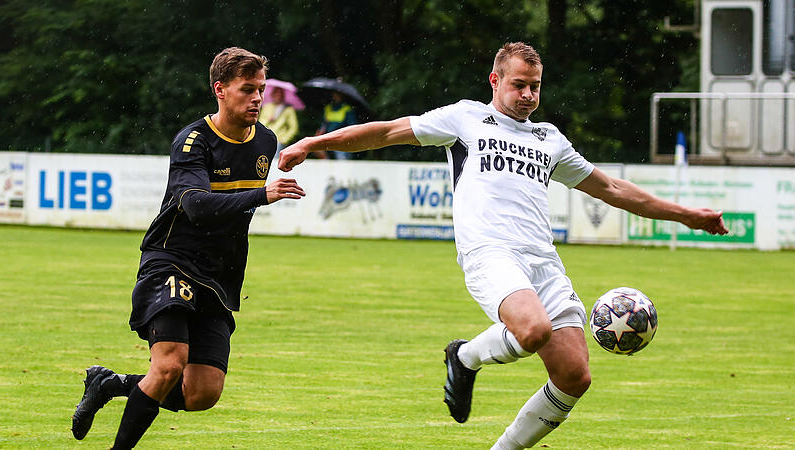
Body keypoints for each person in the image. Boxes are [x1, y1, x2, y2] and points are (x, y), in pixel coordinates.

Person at [278, 42, 728, 449]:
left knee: (575, 375)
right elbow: (386, 131)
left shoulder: (549, 138)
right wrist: (314, 141)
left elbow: (611, 188)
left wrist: (688, 215)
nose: (528, 95)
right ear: (495, 81)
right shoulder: (465, 118)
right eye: (519, 85)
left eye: (535, 86)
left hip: (542, 261)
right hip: (490, 253)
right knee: (533, 331)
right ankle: (467, 356)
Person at [71, 47, 305, 449]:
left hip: (219, 275)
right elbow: (196, 207)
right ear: (220, 89)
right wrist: (261, 195)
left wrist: (259, 193)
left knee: (202, 394)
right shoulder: (193, 141)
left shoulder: (266, 140)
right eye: (247, 89)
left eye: (261, 89)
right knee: (169, 363)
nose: (257, 98)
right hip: (172, 260)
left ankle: (111, 384)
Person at [313, 91, 358, 160]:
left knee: (341, 159)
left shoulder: (346, 109)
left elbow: (352, 126)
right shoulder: (327, 108)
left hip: (342, 139)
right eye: (333, 95)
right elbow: (324, 124)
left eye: (337, 95)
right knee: (318, 151)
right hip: (328, 138)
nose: (334, 96)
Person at [259, 86, 299, 152]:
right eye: (276, 93)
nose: (278, 95)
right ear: (272, 94)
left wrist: (284, 139)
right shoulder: (266, 106)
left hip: (279, 141)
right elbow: (260, 124)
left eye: (280, 93)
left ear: (283, 95)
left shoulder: (288, 109)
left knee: (275, 161)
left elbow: (294, 127)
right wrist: (268, 120)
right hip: (265, 139)